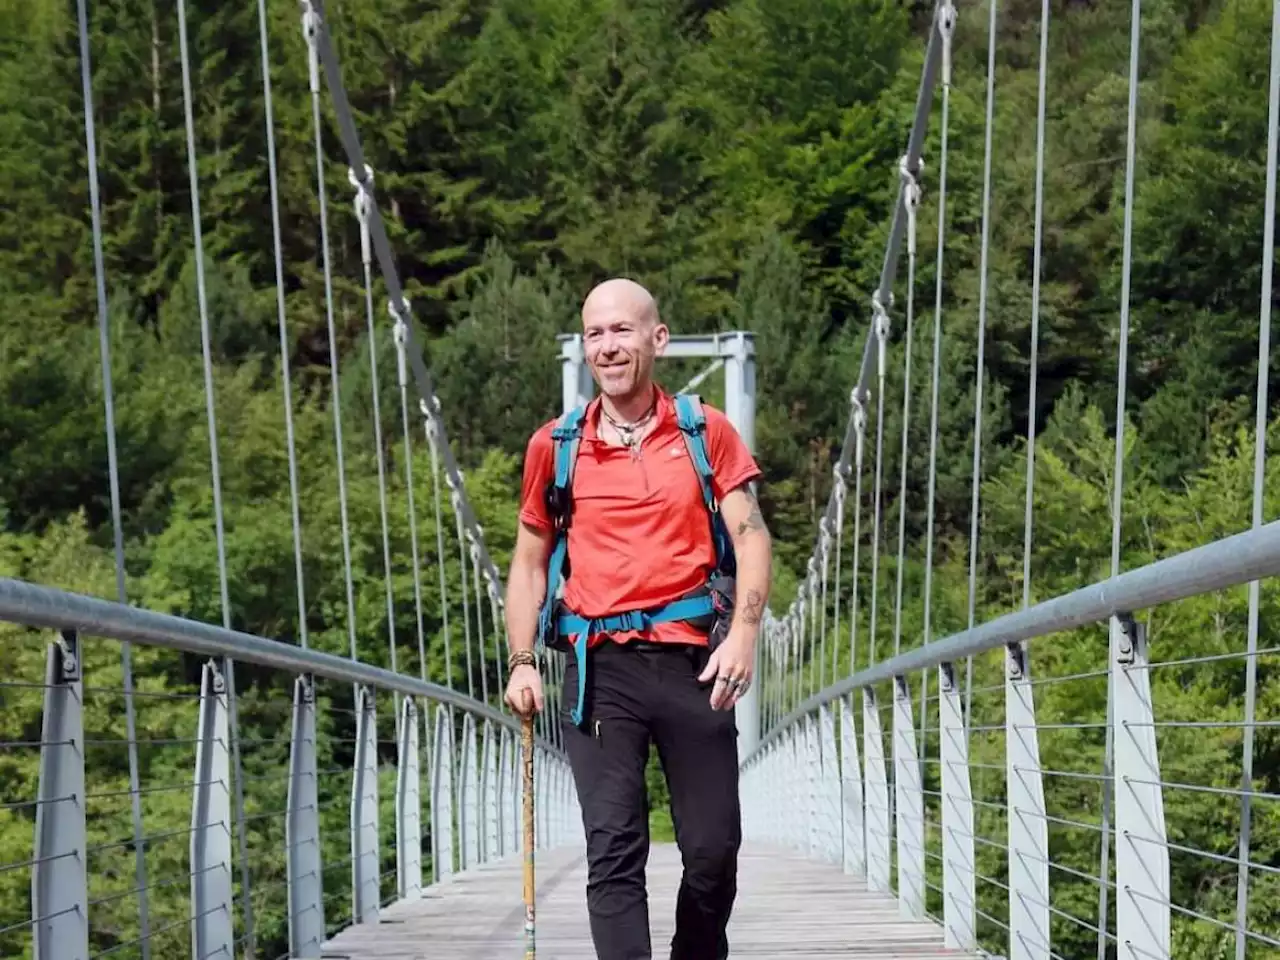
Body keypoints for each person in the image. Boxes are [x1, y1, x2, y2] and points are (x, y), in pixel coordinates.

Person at [502, 277, 773, 960]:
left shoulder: (704, 430)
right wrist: (523, 659)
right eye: (595, 333)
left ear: (657, 339)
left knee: (713, 852)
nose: (608, 346)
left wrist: (743, 632)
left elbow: (752, 536)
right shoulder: (556, 446)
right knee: (614, 850)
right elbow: (530, 563)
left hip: (694, 663)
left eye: (622, 330)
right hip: (601, 670)